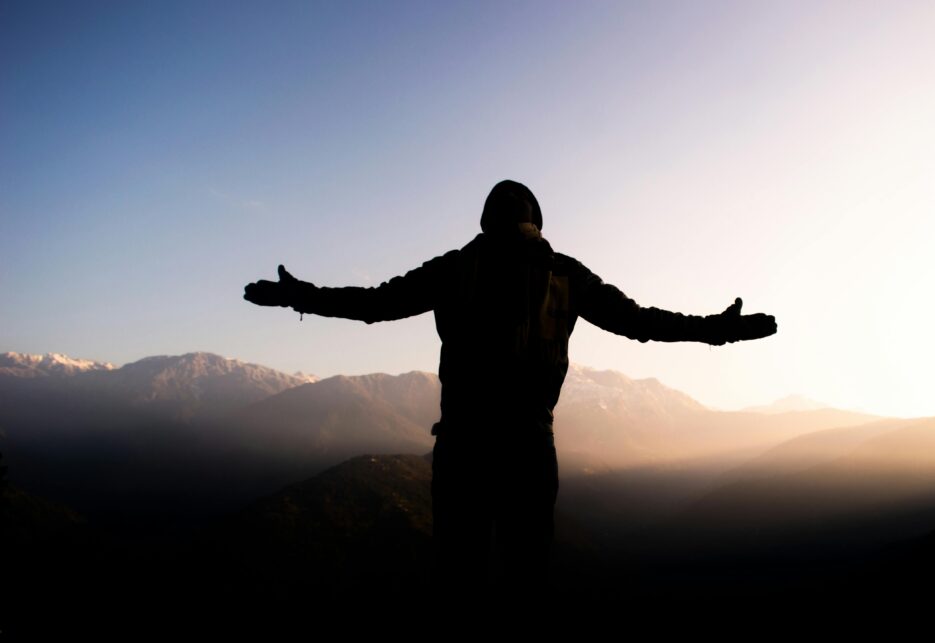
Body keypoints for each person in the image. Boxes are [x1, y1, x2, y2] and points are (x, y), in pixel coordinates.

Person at [243, 180, 777, 601]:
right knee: (528, 576)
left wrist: (300, 296)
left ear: (485, 220)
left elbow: (372, 304)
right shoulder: (565, 274)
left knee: (458, 575)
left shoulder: (456, 268)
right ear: (536, 222)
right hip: (529, 447)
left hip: (463, 448)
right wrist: (716, 329)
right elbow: (640, 322)